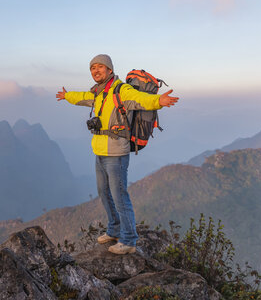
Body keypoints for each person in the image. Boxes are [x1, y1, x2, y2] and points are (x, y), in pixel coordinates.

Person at [56, 54, 179, 254]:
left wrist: (159, 100)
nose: (96, 71)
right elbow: (82, 97)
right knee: (104, 192)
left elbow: (141, 99)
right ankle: (114, 229)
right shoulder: (98, 92)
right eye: (92, 68)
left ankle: (129, 240)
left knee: (119, 195)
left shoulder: (122, 90)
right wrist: (67, 95)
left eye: (100, 67)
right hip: (100, 152)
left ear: (110, 70)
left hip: (116, 154)